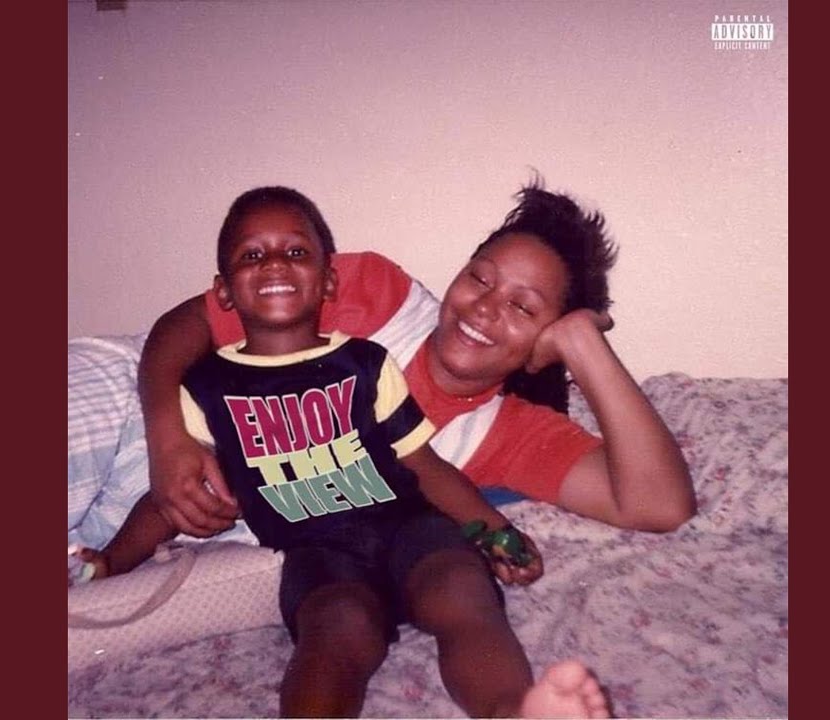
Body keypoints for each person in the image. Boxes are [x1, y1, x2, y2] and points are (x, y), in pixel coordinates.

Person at [78, 187, 611, 719]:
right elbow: (174, 495)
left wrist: (493, 530)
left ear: (329, 281)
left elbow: (423, 464)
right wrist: (114, 560)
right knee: (334, 631)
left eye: (296, 252)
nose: (274, 264)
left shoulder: (366, 363)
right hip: (319, 552)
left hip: (408, 527)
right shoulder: (207, 389)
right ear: (223, 292)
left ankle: (513, 710)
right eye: (252, 255)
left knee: (462, 593)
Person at [137, 177, 696, 543]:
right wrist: (167, 441)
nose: (483, 307)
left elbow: (661, 506)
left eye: (522, 307)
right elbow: (185, 324)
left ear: (544, 341)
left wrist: (581, 342)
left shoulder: (513, 436)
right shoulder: (379, 293)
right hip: (147, 396)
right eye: (479, 278)